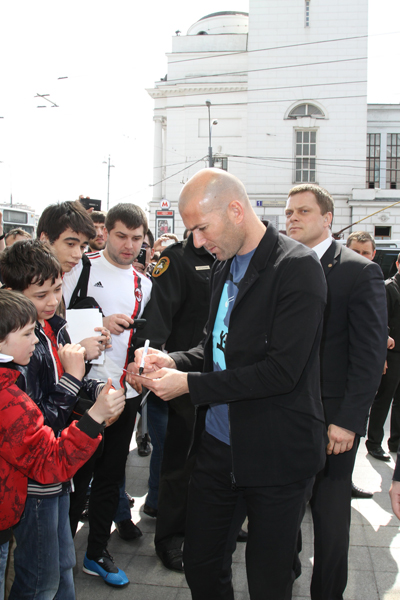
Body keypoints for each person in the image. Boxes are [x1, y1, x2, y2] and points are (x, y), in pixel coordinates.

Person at [129, 168, 328, 600]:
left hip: (276, 455)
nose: (197, 242)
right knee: (201, 565)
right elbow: (215, 349)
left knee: (269, 578)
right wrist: (173, 359)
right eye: (191, 231)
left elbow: (281, 372)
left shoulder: (296, 268)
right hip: (217, 449)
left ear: (236, 210)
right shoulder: (222, 265)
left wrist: (189, 385)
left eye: (201, 228)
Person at [0, 243, 126, 600]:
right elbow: (37, 420)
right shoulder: (19, 351)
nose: (54, 300)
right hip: (39, 476)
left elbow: (69, 377)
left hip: (56, 471)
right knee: (40, 578)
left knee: (60, 568)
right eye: (41, 294)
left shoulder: (50, 327)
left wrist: (95, 386)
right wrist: (76, 383)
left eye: (57, 289)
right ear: (12, 296)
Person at [285, 184, 387, 600]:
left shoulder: (358, 271)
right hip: (283, 412)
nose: (291, 218)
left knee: (329, 518)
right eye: (288, 212)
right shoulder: (279, 265)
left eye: (302, 211)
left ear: (327, 218)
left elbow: (368, 355)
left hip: (332, 423)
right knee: (282, 510)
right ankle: (283, 573)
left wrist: (348, 421)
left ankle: (327, 593)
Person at [63, 203, 152, 587]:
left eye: (136, 238)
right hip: (81, 393)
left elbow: (146, 339)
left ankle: (96, 551)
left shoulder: (145, 284)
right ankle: (61, 552)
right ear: (107, 234)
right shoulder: (78, 267)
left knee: (111, 478)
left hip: (125, 395)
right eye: (121, 235)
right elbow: (52, 319)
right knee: (75, 478)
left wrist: (141, 364)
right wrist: (97, 323)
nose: (129, 245)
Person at [127, 231, 215, 571]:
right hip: (182, 377)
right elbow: (159, 316)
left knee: (218, 458)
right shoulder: (176, 260)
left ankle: (213, 523)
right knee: (180, 462)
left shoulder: (233, 256)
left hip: (224, 378)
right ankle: (170, 538)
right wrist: (148, 356)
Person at [366, 251, 400, 459]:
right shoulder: (390, 288)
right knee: (383, 399)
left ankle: (395, 442)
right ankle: (374, 443)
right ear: (397, 263)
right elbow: (381, 323)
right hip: (392, 354)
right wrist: (383, 357)